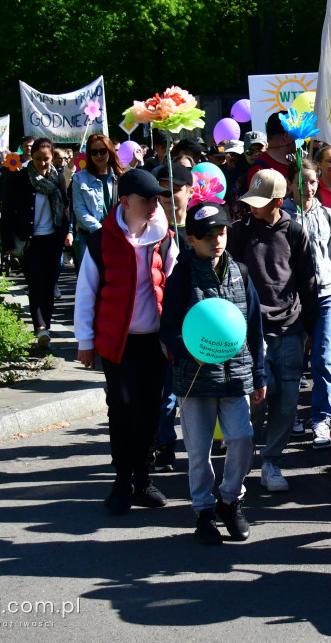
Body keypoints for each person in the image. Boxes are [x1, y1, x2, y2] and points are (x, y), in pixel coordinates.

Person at [159, 200, 267, 544]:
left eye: (221, 232)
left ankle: (230, 499)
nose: (217, 240)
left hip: (236, 376)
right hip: (196, 379)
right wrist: (188, 348)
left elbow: (253, 327)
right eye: (207, 236)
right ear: (191, 240)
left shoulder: (241, 271)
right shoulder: (182, 276)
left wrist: (259, 374)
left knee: (241, 439)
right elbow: (168, 329)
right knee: (199, 450)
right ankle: (204, 511)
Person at [74, 168, 178, 515]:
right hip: (118, 342)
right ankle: (122, 480)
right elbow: (86, 293)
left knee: (150, 409)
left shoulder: (165, 237)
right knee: (121, 409)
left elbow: (176, 289)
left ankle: (143, 478)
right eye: (145, 198)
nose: (153, 204)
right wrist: (85, 341)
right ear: (125, 201)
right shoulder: (100, 240)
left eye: (156, 198)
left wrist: (176, 337)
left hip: (154, 342)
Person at [227, 168, 318, 492]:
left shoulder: (294, 232)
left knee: (287, 399)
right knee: (259, 395)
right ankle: (241, 453)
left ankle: (272, 461)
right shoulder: (239, 232)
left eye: (260, 201)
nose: (252, 206)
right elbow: (228, 277)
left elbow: (309, 282)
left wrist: (310, 328)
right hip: (253, 330)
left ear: (279, 201)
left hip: (291, 328)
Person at [282, 159, 331, 449]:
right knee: (293, 360)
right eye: (301, 181)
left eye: (311, 181)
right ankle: (291, 414)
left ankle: (321, 417)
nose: (307, 187)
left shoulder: (328, 216)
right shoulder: (282, 216)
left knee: (324, 358)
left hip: (326, 294)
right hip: (294, 297)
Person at [0, 138, 72, 349]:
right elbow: (8, 211)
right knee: (36, 284)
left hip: (52, 238)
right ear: (32, 157)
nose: (42, 163)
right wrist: (7, 241)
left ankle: (45, 329)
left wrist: (66, 230)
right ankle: (40, 327)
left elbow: (65, 206)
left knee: (49, 286)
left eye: (46, 159)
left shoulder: (57, 178)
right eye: (38, 159)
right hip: (29, 239)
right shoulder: (20, 178)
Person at [150, 161, 195, 473]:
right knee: (164, 390)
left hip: (195, 320)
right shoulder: (150, 229)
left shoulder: (200, 226)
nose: (168, 196)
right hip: (161, 320)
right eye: (162, 190)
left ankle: (204, 442)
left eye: (175, 189)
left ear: (190, 191)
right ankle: (164, 443)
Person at [72, 133, 125, 263]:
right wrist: (102, 230)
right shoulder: (79, 178)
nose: (98, 156)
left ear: (110, 151)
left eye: (102, 151)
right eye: (94, 152)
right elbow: (79, 210)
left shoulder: (121, 176)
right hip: (89, 236)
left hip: (117, 235)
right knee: (89, 281)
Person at [246, 112, 292, 187]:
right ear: (286, 136)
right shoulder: (259, 170)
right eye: (295, 134)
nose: (299, 139)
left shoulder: (294, 163)